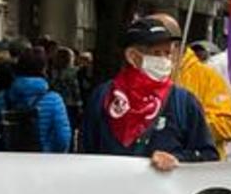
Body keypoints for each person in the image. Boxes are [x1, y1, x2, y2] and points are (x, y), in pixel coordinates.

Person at [78, 19, 216, 166]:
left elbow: (208, 155)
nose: (165, 60)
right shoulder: (104, 96)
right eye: (156, 53)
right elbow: (85, 151)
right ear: (133, 56)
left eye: (168, 53)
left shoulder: (182, 101)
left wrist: (178, 159)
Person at [144, 13, 231, 159]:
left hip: (195, 171)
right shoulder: (139, 77)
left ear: (174, 44)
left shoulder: (207, 77)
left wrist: (185, 124)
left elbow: (227, 126)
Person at [0, 45, 72, 152]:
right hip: (42, 160)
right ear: (43, 69)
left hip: (9, 159)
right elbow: (63, 137)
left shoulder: (3, 96)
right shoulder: (54, 100)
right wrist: (49, 153)